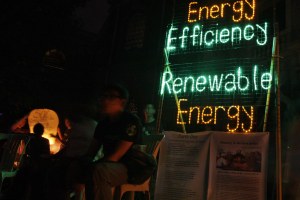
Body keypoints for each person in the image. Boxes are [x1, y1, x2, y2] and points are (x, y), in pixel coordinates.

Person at [82, 83, 143, 200]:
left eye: (111, 97)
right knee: (69, 167)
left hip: (128, 167)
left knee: (99, 171)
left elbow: (117, 156)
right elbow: (91, 151)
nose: (105, 100)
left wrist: (93, 164)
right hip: (108, 164)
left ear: (123, 102)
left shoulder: (130, 121)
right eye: (104, 96)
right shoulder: (103, 124)